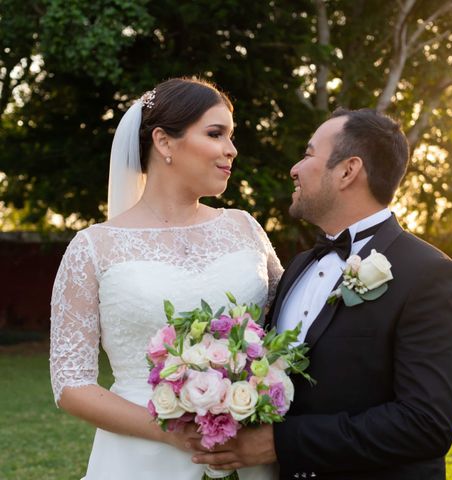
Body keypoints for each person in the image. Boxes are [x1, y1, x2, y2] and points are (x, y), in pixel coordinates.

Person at [192, 108, 452, 479]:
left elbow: (425, 424)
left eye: (308, 154)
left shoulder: (430, 275)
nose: (295, 168)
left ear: (347, 170)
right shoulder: (297, 267)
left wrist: (283, 442)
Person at [49, 77, 282, 480]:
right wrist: (169, 432)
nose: (232, 149)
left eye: (232, 136)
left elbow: (292, 325)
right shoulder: (93, 248)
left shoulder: (245, 228)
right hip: (138, 459)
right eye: (216, 134)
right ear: (164, 142)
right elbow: (71, 384)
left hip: (247, 452)